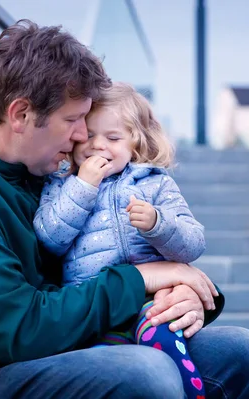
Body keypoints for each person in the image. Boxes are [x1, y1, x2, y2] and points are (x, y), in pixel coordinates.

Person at [0, 19, 249, 399]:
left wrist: (182, 295)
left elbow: (112, 251)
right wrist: (140, 279)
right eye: (73, 120)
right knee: (146, 374)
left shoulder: (46, 167)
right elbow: (18, 330)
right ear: (21, 115)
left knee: (243, 353)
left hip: (70, 347)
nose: (83, 138)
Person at [34, 82, 208, 398]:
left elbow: (193, 244)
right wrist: (82, 187)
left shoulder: (155, 184)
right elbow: (49, 238)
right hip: (94, 306)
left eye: (113, 138)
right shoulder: (61, 184)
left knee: (165, 340)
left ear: (135, 143)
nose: (98, 145)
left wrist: (157, 224)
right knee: (116, 366)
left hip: (151, 301)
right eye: (89, 135)